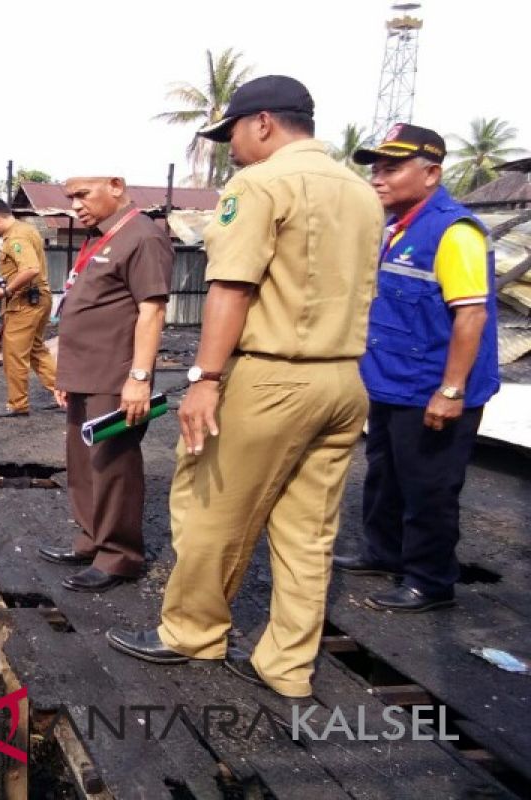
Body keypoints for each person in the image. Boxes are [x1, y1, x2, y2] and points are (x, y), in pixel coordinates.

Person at [105, 75, 384, 700]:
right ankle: (286, 666)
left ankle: (191, 633)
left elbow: (231, 287)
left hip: (272, 376)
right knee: (308, 533)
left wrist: (205, 379)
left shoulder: (260, 184)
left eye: (231, 130)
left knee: (210, 509)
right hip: (343, 379)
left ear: (262, 122)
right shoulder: (363, 194)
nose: (230, 144)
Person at [332, 124, 501, 612]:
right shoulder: (393, 225)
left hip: (431, 385)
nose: (379, 179)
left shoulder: (455, 231)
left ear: (431, 174)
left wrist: (450, 391)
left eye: (392, 169)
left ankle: (430, 581)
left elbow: (470, 314)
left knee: (429, 485)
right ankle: (384, 552)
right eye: (376, 169)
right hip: (389, 381)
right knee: (385, 473)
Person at [36, 175, 173, 592]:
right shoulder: (101, 236)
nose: (75, 205)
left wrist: (139, 377)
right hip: (85, 374)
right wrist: (66, 374)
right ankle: (92, 539)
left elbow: (151, 312)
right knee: (82, 463)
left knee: (113, 464)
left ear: (115, 185)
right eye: (70, 197)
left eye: (83, 195)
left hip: (116, 375)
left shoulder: (143, 237)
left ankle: (119, 556)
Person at [0, 198, 58, 417]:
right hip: (38, 298)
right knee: (36, 350)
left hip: (25, 302)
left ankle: (17, 404)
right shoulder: (27, 229)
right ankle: (67, 396)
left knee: (14, 354)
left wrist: (6, 291)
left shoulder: (16, 236)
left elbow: (30, 268)